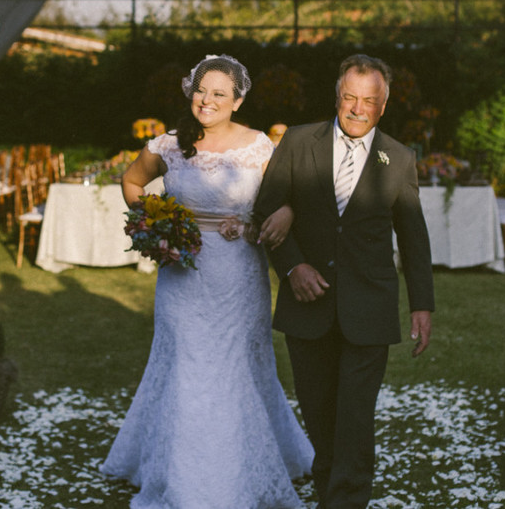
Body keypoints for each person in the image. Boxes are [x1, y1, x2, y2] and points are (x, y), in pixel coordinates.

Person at [101, 54, 313, 508]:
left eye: (219, 93)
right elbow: (132, 181)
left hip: (238, 277)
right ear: (189, 92)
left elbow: (289, 197)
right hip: (182, 278)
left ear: (237, 101)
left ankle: (241, 467)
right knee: (186, 366)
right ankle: (183, 476)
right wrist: (155, 220)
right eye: (201, 90)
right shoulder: (168, 145)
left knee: (238, 366)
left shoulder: (259, 147)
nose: (207, 100)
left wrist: (284, 213)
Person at [254, 54, 434, 509]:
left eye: (369, 101)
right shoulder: (297, 142)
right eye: (350, 97)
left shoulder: (400, 158)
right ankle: (330, 493)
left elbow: (413, 236)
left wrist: (421, 305)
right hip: (307, 305)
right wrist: (293, 267)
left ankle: (345, 501)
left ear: (383, 106)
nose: (357, 108)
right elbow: (265, 209)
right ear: (337, 96)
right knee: (320, 417)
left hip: (369, 307)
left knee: (354, 418)